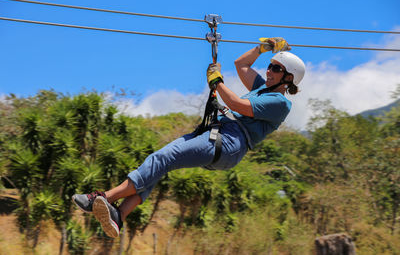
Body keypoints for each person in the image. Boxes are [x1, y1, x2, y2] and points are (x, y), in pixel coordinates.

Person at [72, 37, 306, 238]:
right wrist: (263, 48)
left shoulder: (280, 103)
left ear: (288, 78)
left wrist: (217, 82)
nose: (268, 71)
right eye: (270, 66)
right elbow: (241, 64)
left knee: (162, 158)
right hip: (220, 135)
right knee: (161, 163)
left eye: (276, 69)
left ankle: (102, 198)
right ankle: (119, 216)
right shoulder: (262, 88)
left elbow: (237, 104)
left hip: (229, 143)